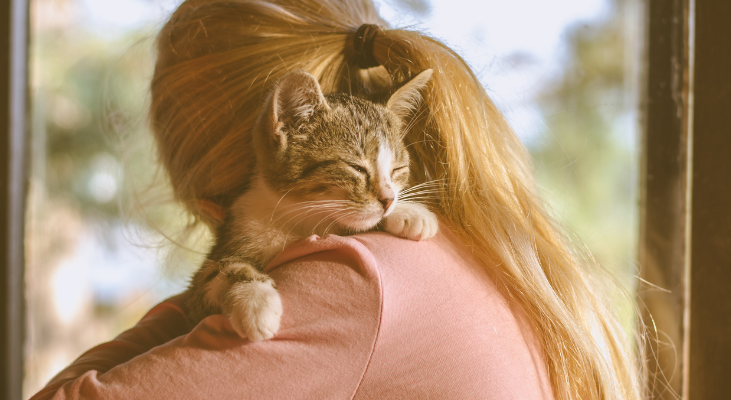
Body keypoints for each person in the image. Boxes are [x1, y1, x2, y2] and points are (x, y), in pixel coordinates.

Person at [32, 0, 642, 399]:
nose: (381, 195)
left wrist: (211, 279)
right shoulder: (449, 252)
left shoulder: (353, 282)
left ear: (196, 184)